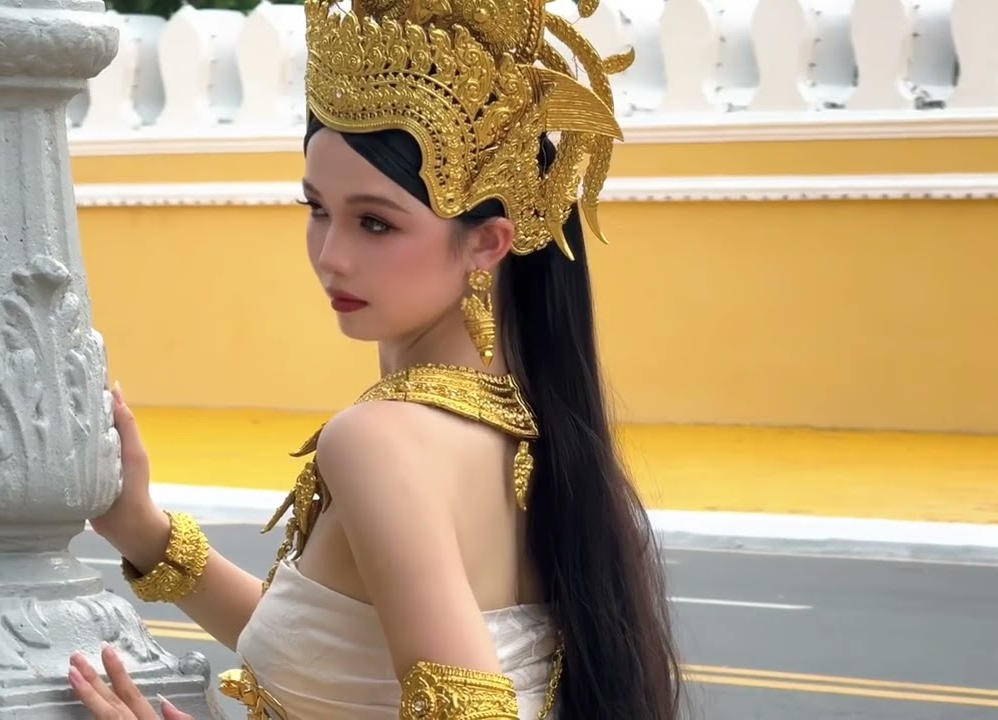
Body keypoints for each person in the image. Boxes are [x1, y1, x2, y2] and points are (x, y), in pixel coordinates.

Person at [67, 0, 683, 717]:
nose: (332, 256)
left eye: (375, 222)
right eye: (317, 207)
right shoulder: (541, 429)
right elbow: (339, 659)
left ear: (488, 243)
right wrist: (143, 531)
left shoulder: (379, 439)